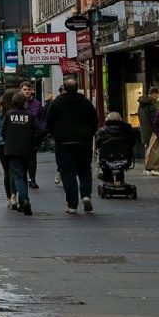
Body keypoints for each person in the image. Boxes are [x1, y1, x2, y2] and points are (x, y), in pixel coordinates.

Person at [46, 77, 99, 214]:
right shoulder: (86, 103)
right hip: (83, 142)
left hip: (64, 143)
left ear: (64, 88)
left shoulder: (57, 103)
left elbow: (49, 121)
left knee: (67, 173)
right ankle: (86, 195)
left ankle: (72, 204)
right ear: (77, 88)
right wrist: (89, 135)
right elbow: (94, 121)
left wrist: (56, 135)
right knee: (84, 170)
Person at [2, 92, 38, 215]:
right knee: (23, 175)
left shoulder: (9, 115)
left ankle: (25, 199)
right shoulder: (30, 115)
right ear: (24, 103)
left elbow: (3, 131)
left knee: (17, 176)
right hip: (27, 149)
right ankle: (23, 202)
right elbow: (38, 130)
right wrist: (34, 142)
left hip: (12, 149)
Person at [19, 82, 45, 189]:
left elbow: (42, 119)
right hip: (20, 136)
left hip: (33, 136)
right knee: (21, 159)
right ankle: (23, 178)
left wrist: (41, 131)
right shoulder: (17, 103)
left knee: (32, 159)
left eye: (28, 89)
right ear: (21, 90)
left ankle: (32, 179)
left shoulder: (37, 104)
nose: (27, 91)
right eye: (25, 89)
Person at [137, 88, 159, 156]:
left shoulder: (141, 104)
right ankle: (153, 165)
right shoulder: (152, 104)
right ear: (154, 94)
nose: (158, 97)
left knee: (149, 149)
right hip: (152, 132)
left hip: (145, 131)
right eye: (158, 95)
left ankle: (148, 164)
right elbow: (155, 119)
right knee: (154, 151)